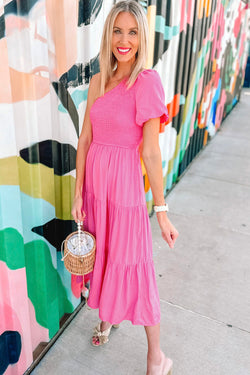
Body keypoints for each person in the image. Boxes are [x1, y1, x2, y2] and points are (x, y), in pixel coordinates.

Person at [71, 1, 179, 374]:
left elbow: (150, 151)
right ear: (108, 34)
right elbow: (85, 138)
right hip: (96, 192)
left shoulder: (146, 82)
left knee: (134, 266)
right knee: (102, 260)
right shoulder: (99, 79)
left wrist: (162, 211)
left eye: (132, 32)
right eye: (118, 30)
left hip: (125, 194)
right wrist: (76, 193)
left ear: (141, 38)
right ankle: (107, 319)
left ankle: (156, 357)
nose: (124, 40)